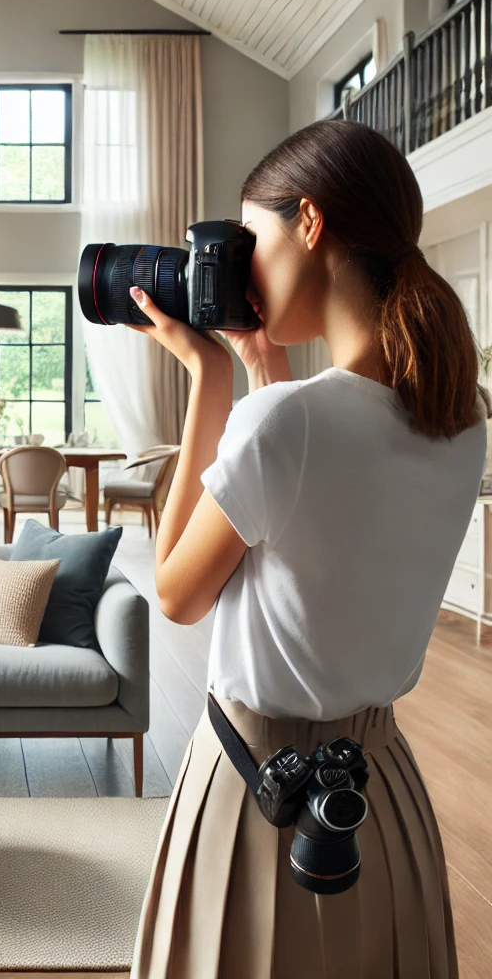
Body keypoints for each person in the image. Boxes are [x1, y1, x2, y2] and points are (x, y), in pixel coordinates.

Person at [127, 119, 489, 979]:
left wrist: (210, 378)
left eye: (250, 236)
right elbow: (318, 526)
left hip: (259, 785)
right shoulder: (460, 418)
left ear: (311, 224)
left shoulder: (284, 424)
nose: (241, 264)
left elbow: (177, 593)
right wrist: (261, 374)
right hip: (382, 793)